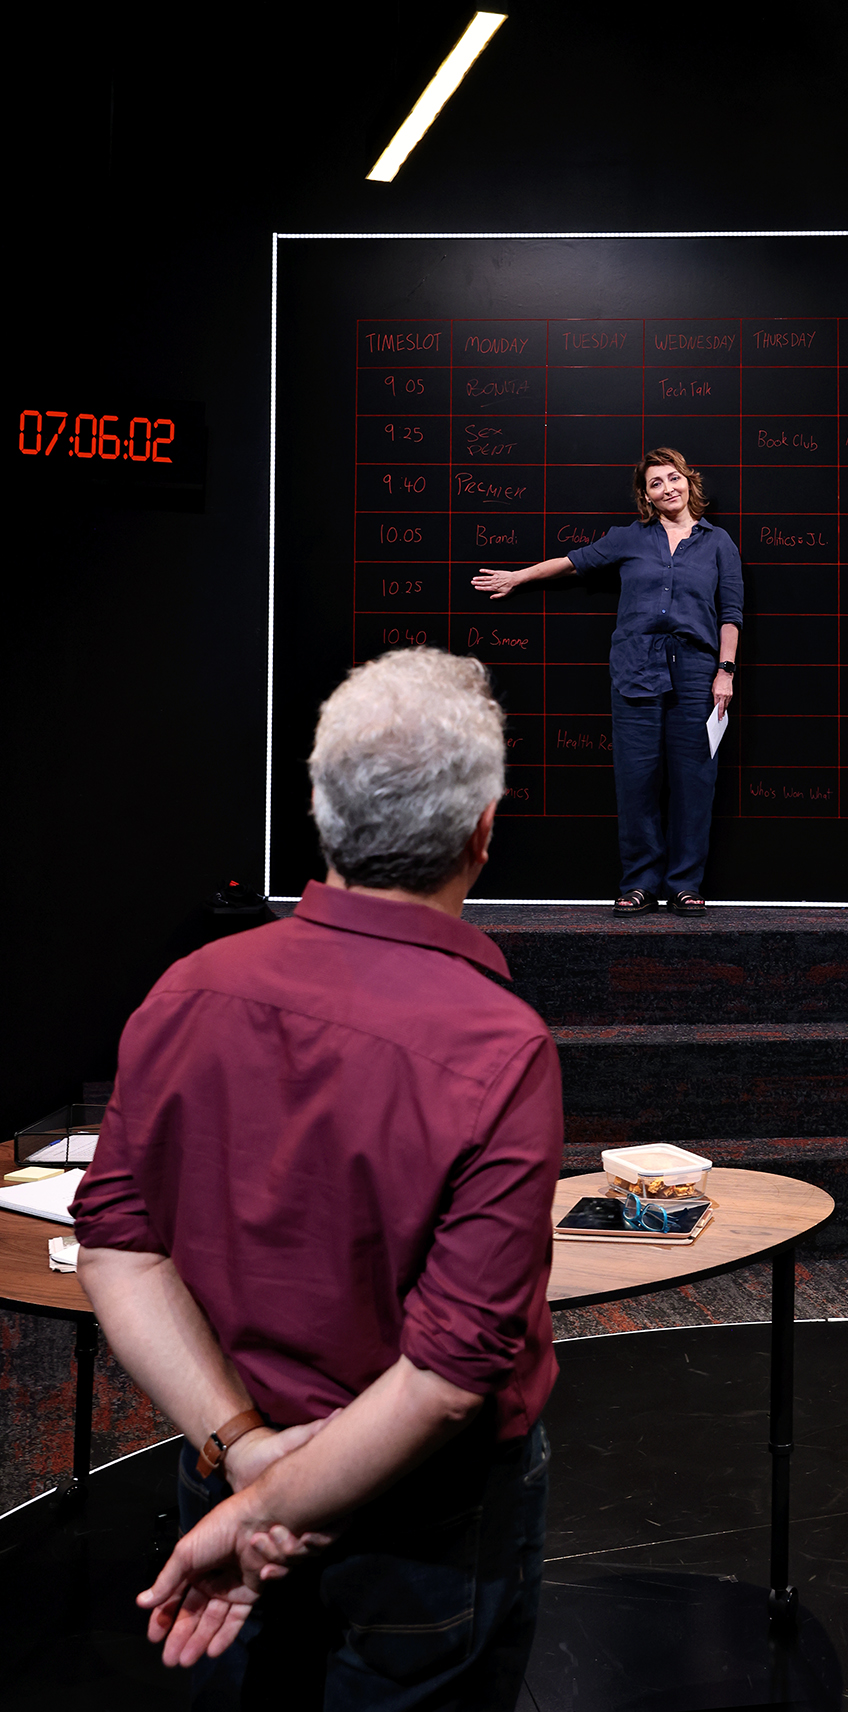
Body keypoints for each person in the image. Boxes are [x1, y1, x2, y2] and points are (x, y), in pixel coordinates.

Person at [71, 647, 563, 1710]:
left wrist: (247, 1463)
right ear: (483, 832)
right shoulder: (501, 1045)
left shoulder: (187, 989)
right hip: (426, 1521)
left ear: (319, 805)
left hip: (222, 1470)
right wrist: (264, 1504)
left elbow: (117, 1243)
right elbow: (444, 1379)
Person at [473, 447, 743, 918]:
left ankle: (685, 884)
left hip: (698, 672)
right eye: (655, 483)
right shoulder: (629, 538)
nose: (667, 488)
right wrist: (519, 576)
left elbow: (731, 614)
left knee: (695, 781)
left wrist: (725, 671)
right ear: (647, 495)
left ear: (688, 482)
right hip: (636, 666)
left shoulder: (719, 543)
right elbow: (571, 562)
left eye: (673, 478)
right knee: (637, 780)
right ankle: (639, 883)